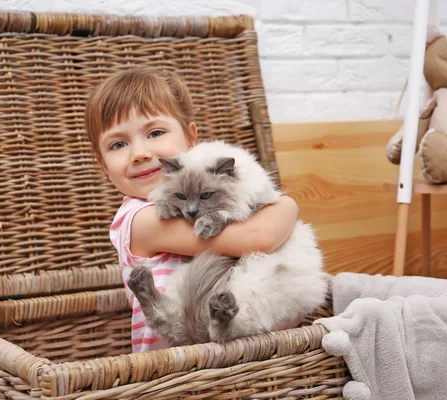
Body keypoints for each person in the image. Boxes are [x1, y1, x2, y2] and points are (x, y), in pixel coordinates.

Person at [84, 66, 300, 352]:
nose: (140, 153)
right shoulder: (139, 219)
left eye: (155, 132)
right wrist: (288, 204)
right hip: (176, 374)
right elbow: (260, 239)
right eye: (119, 144)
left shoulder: (199, 196)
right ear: (103, 165)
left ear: (190, 138)